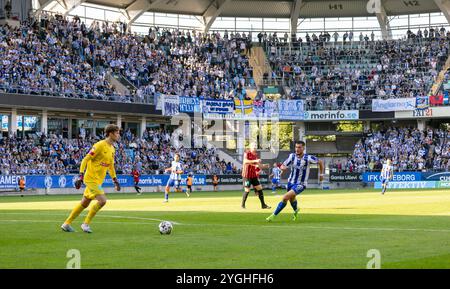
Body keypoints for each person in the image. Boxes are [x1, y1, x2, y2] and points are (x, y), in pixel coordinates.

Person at [61, 124, 121, 233]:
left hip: (98, 180)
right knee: (102, 201)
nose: (118, 135)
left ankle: (66, 224)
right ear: (110, 133)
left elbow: (111, 166)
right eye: (117, 133)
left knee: (84, 203)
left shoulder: (112, 149)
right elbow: (85, 159)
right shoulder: (99, 145)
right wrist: (80, 175)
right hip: (91, 178)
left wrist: (115, 180)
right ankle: (85, 224)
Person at [266, 141, 324, 222]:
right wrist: (283, 167)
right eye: (296, 147)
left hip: (301, 184)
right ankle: (296, 210)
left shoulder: (308, 158)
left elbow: (320, 162)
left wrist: (321, 175)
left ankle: (273, 216)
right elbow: (283, 165)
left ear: (303, 148)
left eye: (299, 147)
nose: (297, 149)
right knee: (291, 199)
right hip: (290, 182)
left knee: (285, 197)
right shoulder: (292, 156)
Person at [241, 142, 271, 209]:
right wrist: (256, 160)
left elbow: (258, 165)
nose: (255, 147)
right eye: (253, 146)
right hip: (247, 176)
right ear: (250, 147)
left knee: (260, 188)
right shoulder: (247, 153)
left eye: (255, 146)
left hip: (253, 175)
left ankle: (263, 205)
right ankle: (242, 205)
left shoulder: (255, 155)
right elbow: (245, 161)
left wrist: (264, 166)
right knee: (247, 190)